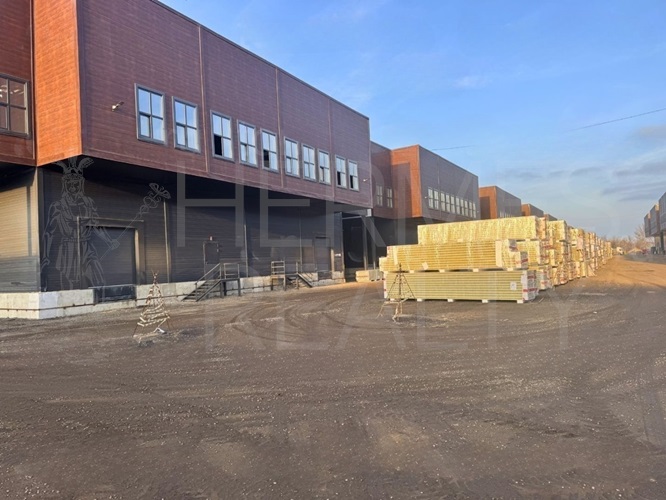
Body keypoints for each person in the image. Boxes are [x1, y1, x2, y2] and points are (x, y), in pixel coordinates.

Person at [41, 157, 119, 290]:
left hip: (86, 246)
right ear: (65, 184)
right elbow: (49, 232)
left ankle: (100, 299)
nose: (73, 187)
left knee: (98, 277)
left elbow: (96, 225)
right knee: (70, 284)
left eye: (76, 183)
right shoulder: (58, 206)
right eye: (69, 183)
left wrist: (109, 240)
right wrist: (46, 256)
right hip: (68, 248)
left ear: (81, 183)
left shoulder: (88, 203)